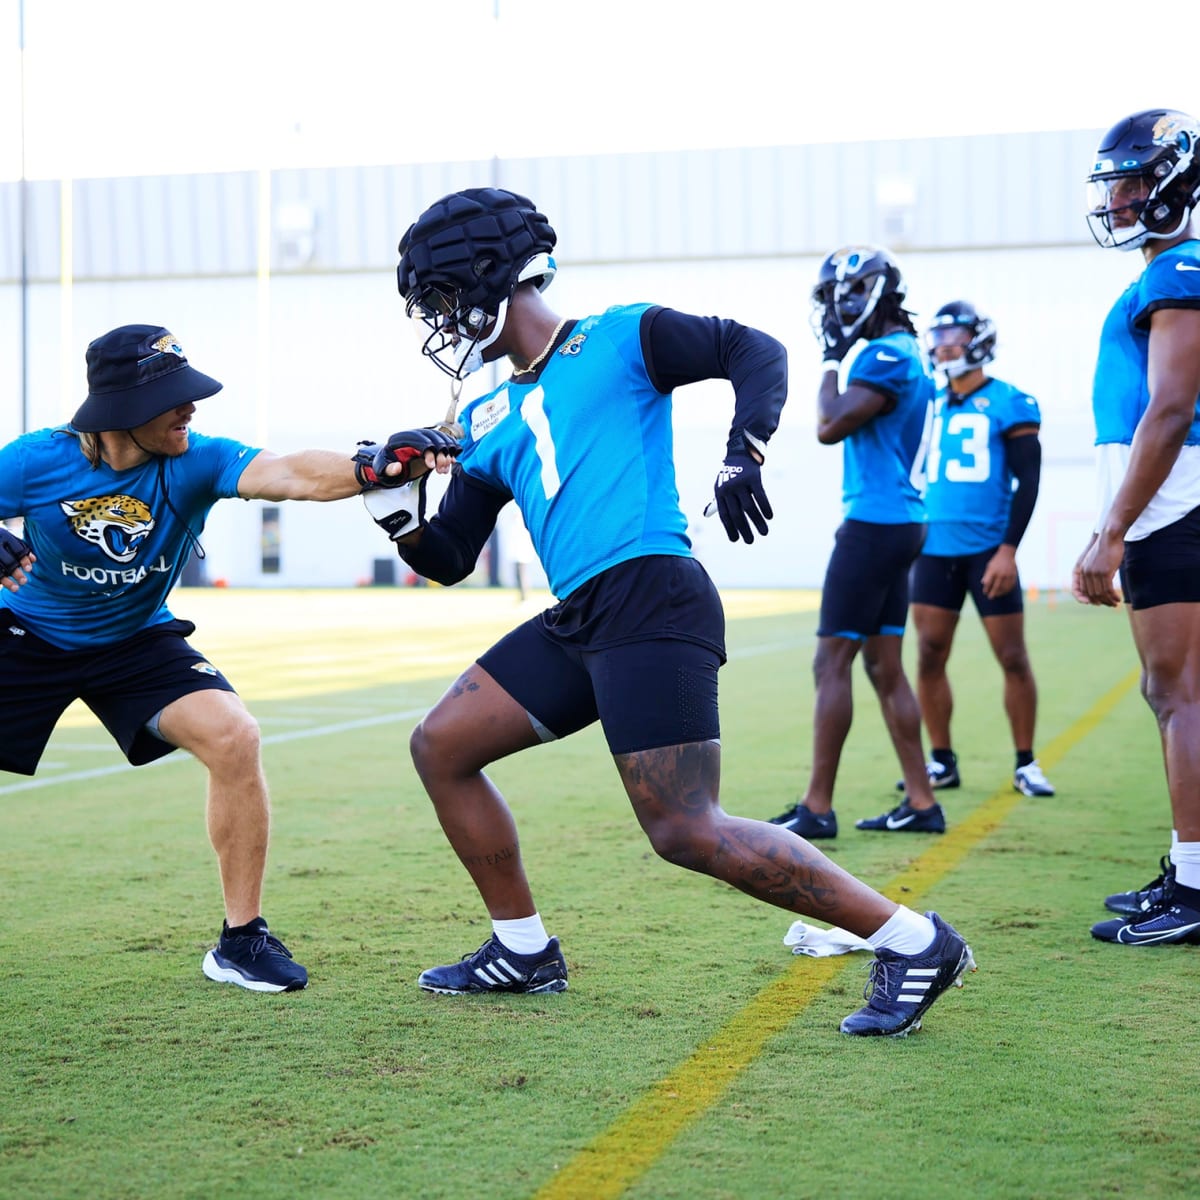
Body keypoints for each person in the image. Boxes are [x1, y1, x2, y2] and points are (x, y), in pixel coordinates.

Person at [363, 187, 974, 1037]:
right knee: (442, 746)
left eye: (439, 295)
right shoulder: (482, 412)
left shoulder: (617, 335)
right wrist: (395, 507)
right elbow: (451, 557)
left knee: (687, 829)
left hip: (652, 593)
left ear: (486, 275)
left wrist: (742, 453)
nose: (437, 318)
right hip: (582, 614)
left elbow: (752, 351)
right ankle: (524, 949)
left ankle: (914, 941)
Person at [0, 324, 396, 991]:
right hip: (28, 637)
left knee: (234, 736)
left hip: (136, 640)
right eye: (173, 399)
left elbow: (291, 473)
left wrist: (373, 465)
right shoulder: (37, 459)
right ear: (123, 408)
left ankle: (241, 943)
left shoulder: (199, 458)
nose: (191, 408)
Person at [1073, 109, 1200, 946]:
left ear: (1173, 182)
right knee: (1172, 694)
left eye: (1130, 180)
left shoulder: (1180, 268)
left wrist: (1113, 528)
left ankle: (1196, 889)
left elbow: (1171, 407)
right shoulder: (1166, 267)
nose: (1116, 198)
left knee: (1182, 694)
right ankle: (1188, 866)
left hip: (1174, 504)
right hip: (1165, 503)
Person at [768, 246, 944, 839]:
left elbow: (828, 424)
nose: (835, 310)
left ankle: (817, 806)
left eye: (841, 296)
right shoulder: (903, 352)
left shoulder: (889, 355)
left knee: (832, 659)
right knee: (883, 666)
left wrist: (829, 362)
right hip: (899, 522)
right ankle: (922, 800)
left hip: (875, 524)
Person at [906, 300, 1055, 798]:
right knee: (928, 654)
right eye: (939, 334)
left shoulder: (1011, 401)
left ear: (979, 339)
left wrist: (1008, 550)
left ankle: (1026, 762)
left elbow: (1028, 482)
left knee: (1012, 656)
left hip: (989, 550)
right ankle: (942, 761)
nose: (945, 343)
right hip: (933, 548)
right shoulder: (927, 401)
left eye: (957, 333)